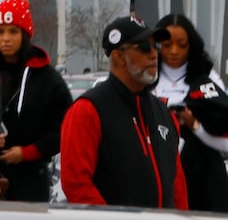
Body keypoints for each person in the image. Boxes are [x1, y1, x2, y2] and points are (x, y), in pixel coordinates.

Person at [59, 15, 188, 208]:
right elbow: (76, 185)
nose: (154, 54)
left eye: (156, 47)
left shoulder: (163, 112)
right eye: (144, 47)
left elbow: (177, 186)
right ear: (119, 56)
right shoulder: (87, 110)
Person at [0, 0, 71, 203]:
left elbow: (65, 128)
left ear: (25, 34)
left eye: (13, 31)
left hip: (31, 179)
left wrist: (28, 152)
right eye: (0, 32)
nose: (5, 38)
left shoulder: (48, 78)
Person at [153, 13, 228, 212]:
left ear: (191, 45)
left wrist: (194, 125)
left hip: (203, 177)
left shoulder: (208, 78)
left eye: (182, 44)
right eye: (167, 45)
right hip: (156, 173)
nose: (174, 51)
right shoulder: (147, 75)